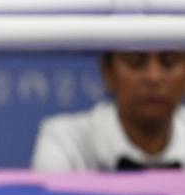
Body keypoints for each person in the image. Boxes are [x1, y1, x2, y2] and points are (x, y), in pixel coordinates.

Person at [32, 51, 185, 171]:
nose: (153, 77)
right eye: (136, 61)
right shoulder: (66, 140)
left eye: (169, 61)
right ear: (108, 72)